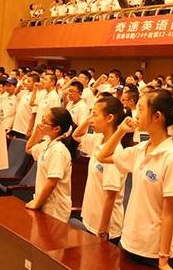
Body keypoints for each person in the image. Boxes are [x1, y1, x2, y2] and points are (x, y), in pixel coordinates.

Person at [97, 88, 173, 269]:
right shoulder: (141, 149)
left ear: (157, 117)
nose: (136, 114)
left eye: (140, 109)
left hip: (154, 250)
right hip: (130, 241)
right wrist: (121, 131)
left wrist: (163, 259)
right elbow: (103, 156)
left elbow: (168, 212)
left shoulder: (172, 159)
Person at [72, 97, 126, 243]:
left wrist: (102, 230)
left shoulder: (115, 151)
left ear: (109, 118)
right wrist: (90, 118)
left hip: (105, 228)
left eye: (96, 115)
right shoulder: (98, 140)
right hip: (90, 217)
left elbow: (111, 196)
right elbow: (76, 135)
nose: (92, 119)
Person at [25, 107, 75, 223]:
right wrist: (37, 132)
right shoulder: (48, 144)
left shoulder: (58, 151)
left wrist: (36, 204)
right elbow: (29, 149)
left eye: (44, 122)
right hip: (44, 203)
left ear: (56, 128)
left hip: (55, 209)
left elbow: (52, 182)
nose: (41, 124)